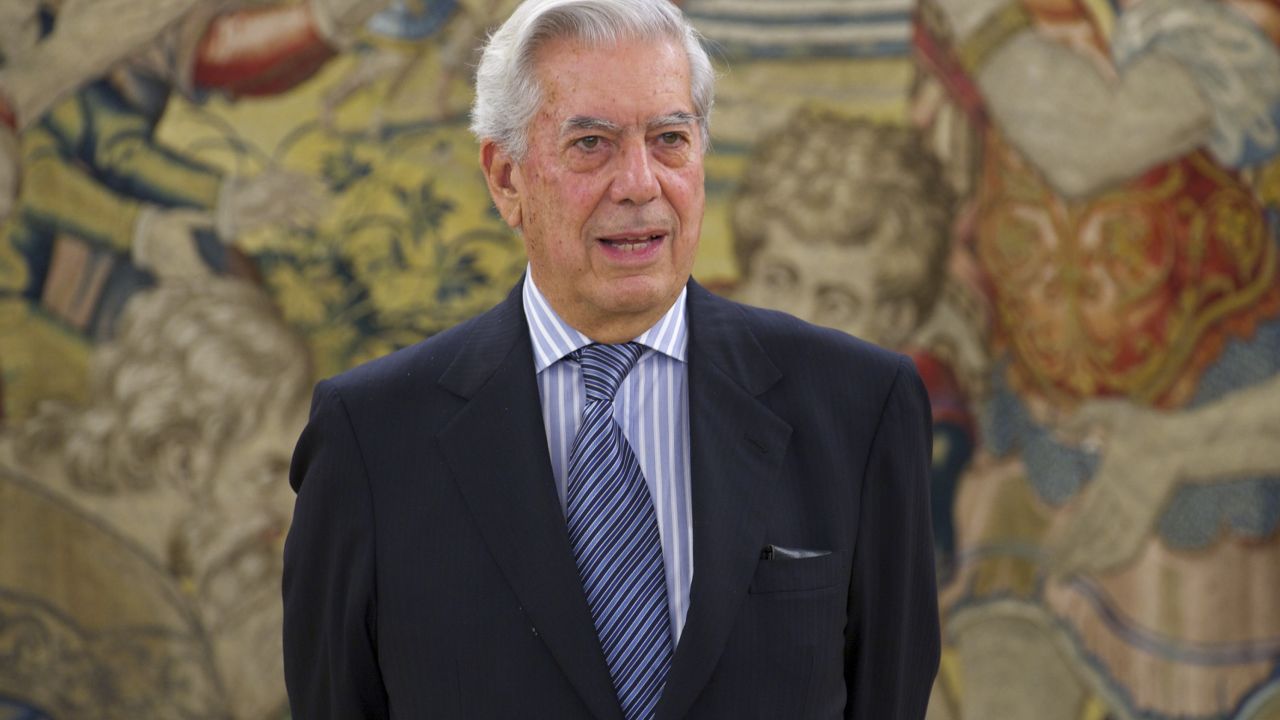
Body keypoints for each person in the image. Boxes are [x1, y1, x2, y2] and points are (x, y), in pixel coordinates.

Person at [282, 0, 940, 718]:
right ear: (506, 179)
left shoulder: (860, 408)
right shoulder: (370, 439)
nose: (639, 182)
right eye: (592, 143)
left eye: (669, 139)